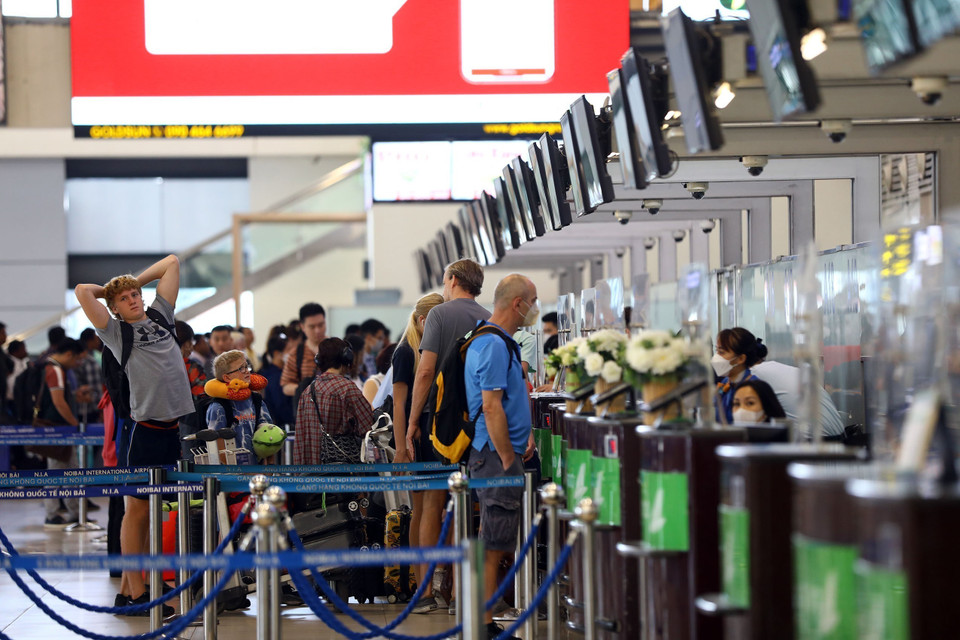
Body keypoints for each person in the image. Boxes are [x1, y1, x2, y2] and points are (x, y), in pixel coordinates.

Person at [75, 254, 194, 617]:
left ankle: (129, 591)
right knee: (137, 512)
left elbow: (172, 262)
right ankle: (136, 593)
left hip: (173, 429)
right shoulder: (116, 332)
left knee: (148, 513)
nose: (133, 299)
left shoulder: (161, 314)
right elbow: (82, 291)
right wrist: (112, 289)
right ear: (114, 309)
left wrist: (134, 282)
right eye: (124, 299)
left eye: (135, 294)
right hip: (145, 431)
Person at [407, 259, 490, 614]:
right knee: (467, 506)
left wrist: (412, 422)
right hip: (477, 423)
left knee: (431, 503)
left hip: (438, 422)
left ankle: (426, 592)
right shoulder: (489, 317)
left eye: (445, 280)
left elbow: (425, 371)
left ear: (453, 280)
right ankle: (459, 593)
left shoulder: (439, 315)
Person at [464, 274, 539, 640]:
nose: (535, 309)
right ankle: (484, 622)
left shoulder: (492, 340)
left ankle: (485, 616)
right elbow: (492, 408)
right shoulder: (493, 344)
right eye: (533, 301)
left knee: (492, 538)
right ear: (517, 303)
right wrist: (509, 457)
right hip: (494, 456)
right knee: (494, 543)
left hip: (494, 452)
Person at [390, 293, 444, 606]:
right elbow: (399, 403)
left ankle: (421, 585)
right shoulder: (407, 353)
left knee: (422, 511)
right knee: (427, 510)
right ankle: (424, 586)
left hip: (424, 435)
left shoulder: (425, 349)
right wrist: (400, 447)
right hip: (418, 438)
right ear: (424, 321)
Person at [35, 339, 89, 529]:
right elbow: (58, 402)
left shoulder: (49, 367)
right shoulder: (55, 370)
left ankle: (75, 512)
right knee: (56, 473)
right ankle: (52, 514)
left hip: (59, 429)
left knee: (69, 471)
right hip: (58, 429)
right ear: (69, 355)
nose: (77, 365)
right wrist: (75, 424)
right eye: (77, 360)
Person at [292, 338, 373, 465]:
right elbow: (368, 427)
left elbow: (300, 439)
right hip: (341, 473)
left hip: (310, 475)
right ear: (347, 358)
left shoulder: (307, 392)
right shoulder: (348, 389)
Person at [751, 356, 846, 437]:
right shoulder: (784, 369)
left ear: (742, 358)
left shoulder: (755, 373)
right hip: (839, 440)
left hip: (812, 446)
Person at [205, 350, 272, 461]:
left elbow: (269, 435)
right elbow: (216, 446)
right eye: (241, 368)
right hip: (232, 473)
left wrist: (269, 466)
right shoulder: (218, 407)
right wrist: (232, 473)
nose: (247, 371)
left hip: (257, 469)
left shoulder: (256, 400)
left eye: (247, 366)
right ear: (227, 378)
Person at [712, 327, 766, 425]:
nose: (717, 357)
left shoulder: (754, 388)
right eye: (717, 351)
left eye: (722, 352)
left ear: (740, 359)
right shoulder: (725, 383)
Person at [281, 303, 328, 397]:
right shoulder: (296, 353)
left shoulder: (338, 348)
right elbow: (286, 386)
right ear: (302, 327)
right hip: (308, 409)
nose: (317, 330)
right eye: (312, 327)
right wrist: (308, 389)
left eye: (321, 325)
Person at [259, 334, 295, 427]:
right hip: (280, 426)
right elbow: (280, 406)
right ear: (276, 353)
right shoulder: (273, 376)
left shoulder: (281, 372)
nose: (292, 353)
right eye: (289, 350)